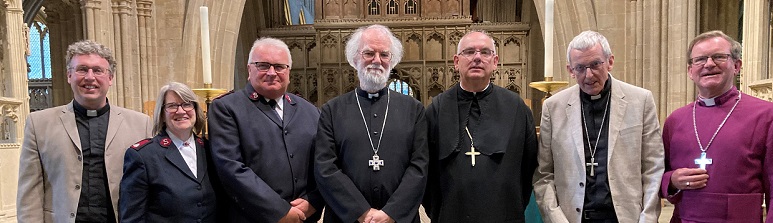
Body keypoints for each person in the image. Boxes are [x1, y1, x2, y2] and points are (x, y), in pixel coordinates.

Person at [533, 30, 664, 223]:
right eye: (580, 68)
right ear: (570, 70)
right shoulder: (554, 108)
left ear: (610, 62)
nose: (588, 75)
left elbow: (653, 167)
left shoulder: (640, 100)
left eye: (595, 64)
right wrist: (555, 218)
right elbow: (543, 174)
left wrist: (647, 218)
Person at [17, 40, 152, 222]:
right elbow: (29, 192)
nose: (90, 77)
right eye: (82, 69)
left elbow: (150, 188)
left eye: (98, 70)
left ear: (110, 78)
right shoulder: (39, 123)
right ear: (69, 75)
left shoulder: (140, 124)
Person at [314, 24, 428, 223]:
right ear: (354, 58)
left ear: (392, 61)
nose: (377, 60)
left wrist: (391, 213)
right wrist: (361, 212)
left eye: (384, 54)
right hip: (346, 218)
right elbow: (325, 167)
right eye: (369, 53)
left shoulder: (414, 109)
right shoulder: (332, 111)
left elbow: (419, 167)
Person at [422, 30, 538, 222]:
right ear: (456, 61)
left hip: (504, 214)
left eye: (485, 52)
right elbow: (426, 170)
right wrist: (439, 211)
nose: (477, 57)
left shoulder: (515, 107)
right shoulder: (437, 109)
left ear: (495, 61)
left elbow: (528, 166)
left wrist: (513, 205)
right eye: (469, 52)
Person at [660, 30, 773, 222]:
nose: (709, 64)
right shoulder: (675, 120)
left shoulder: (766, 114)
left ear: (737, 65)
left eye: (719, 57)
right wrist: (671, 180)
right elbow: (658, 175)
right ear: (690, 71)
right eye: (700, 59)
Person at [208, 37, 323, 223]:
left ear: (289, 71)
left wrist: (313, 201)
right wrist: (280, 212)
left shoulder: (310, 111)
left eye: (279, 66)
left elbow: (323, 163)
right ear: (249, 69)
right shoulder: (228, 108)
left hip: (304, 218)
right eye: (263, 65)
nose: (271, 72)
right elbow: (231, 168)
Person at [119, 82, 219, 222]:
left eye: (187, 104)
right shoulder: (143, 156)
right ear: (161, 114)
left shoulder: (210, 150)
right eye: (172, 106)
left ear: (196, 110)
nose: (180, 111)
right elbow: (132, 218)